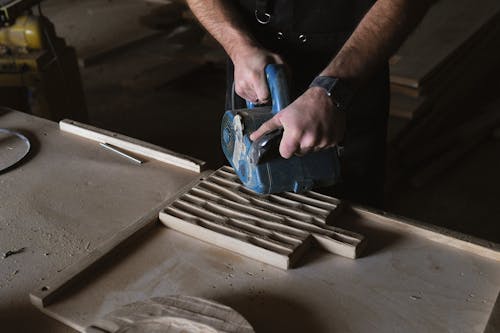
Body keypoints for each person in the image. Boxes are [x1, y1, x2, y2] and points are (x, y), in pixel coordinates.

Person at [186, 0, 435, 207]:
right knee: (250, 201)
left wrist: (333, 89)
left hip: (349, 66)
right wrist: (237, 45)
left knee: (346, 214)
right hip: (250, 63)